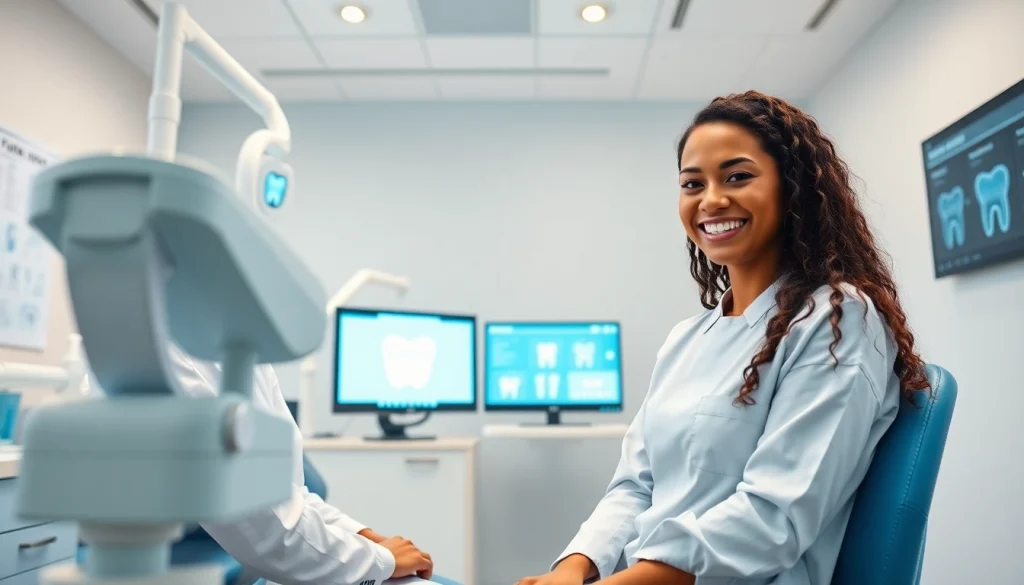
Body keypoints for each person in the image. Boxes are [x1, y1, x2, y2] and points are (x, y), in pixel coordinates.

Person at [514, 91, 931, 585]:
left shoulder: (837, 321)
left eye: (737, 176)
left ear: (791, 187)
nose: (711, 199)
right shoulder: (688, 338)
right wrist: (574, 567)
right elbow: (635, 485)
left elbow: (772, 520)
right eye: (693, 183)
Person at [82, 345, 434, 585]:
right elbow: (262, 525)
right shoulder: (157, 351)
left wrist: (364, 536)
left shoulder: (244, 352)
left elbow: (286, 491)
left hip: (260, 556)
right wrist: (379, 561)